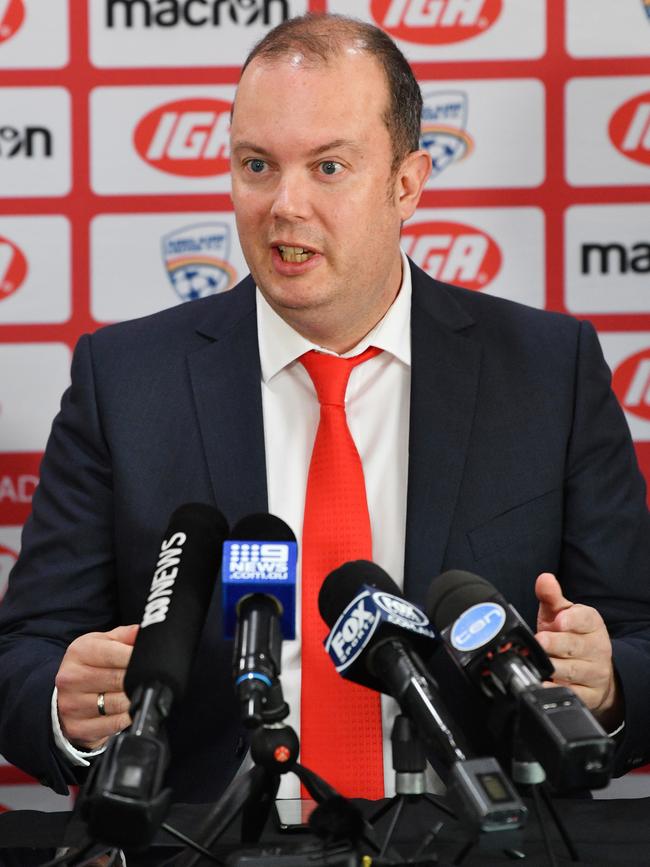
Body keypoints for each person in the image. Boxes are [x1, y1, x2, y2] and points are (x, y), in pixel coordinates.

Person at [0, 13, 649, 807]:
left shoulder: (550, 371)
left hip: (480, 844)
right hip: (206, 850)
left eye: (329, 166)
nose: (285, 204)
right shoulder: (125, 381)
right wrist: (66, 706)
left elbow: (636, 638)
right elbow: (23, 656)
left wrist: (609, 683)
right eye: (257, 165)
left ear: (407, 182)